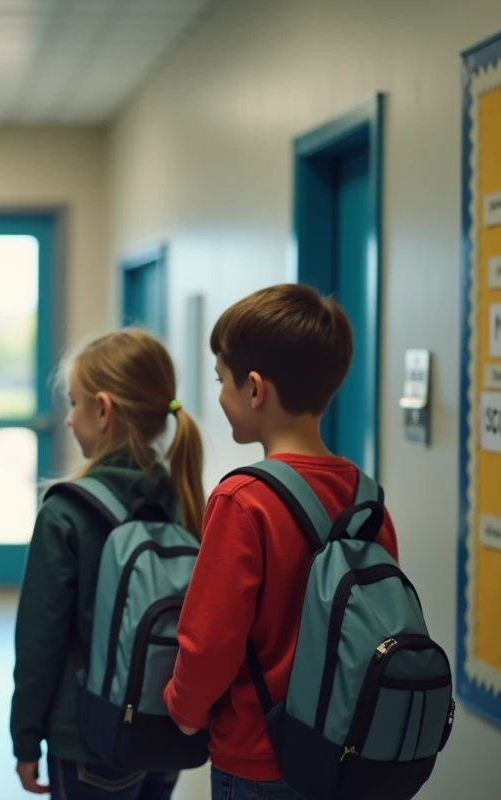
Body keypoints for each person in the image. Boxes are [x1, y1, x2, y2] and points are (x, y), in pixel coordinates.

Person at [163, 284, 399, 800]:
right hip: (347, 752)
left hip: (258, 759)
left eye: (221, 381)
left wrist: (182, 710)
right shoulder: (366, 497)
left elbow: (209, 642)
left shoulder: (241, 498)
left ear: (254, 389)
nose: (220, 397)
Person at [11, 329, 204, 800]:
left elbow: (41, 638)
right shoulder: (184, 495)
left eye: (74, 403)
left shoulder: (66, 511)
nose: (70, 419)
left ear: (103, 409)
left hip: (88, 736)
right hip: (166, 732)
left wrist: (25, 737)